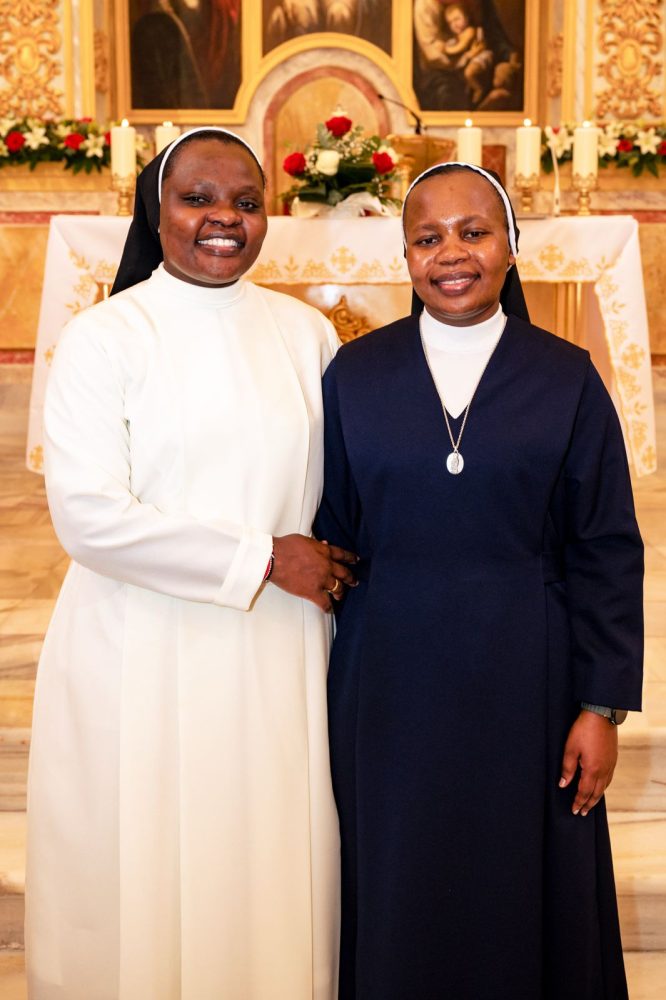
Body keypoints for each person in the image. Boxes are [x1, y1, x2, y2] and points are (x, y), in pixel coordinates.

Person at [25, 127, 357, 999]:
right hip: (138, 642)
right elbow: (90, 518)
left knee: (266, 857)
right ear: (156, 211)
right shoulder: (105, 337)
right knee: (147, 866)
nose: (224, 218)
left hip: (275, 650)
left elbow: (347, 488)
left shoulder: (307, 335)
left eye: (246, 203)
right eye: (198, 199)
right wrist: (262, 559)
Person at [314, 162, 643, 999]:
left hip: (530, 678)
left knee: (519, 888)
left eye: (473, 232)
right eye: (427, 238)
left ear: (511, 246)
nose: (451, 253)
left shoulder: (566, 377)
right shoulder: (356, 374)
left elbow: (606, 547)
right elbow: (335, 533)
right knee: (401, 882)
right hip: (389, 683)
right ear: (405, 256)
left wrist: (602, 706)